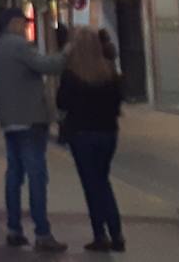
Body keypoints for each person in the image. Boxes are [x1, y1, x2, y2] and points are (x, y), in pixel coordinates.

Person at [0, 9, 67, 253]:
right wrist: (66, 54)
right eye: (23, 23)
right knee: (36, 176)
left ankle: (14, 228)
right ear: (14, 23)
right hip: (31, 119)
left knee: (14, 175)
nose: (25, 27)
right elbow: (47, 66)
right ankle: (42, 232)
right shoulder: (20, 46)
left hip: (9, 120)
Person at [58, 29, 124, 253]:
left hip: (82, 134)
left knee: (91, 185)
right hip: (108, 133)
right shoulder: (110, 73)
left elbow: (62, 103)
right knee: (103, 181)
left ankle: (100, 234)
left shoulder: (72, 75)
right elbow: (117, 103)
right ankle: (116, 233)